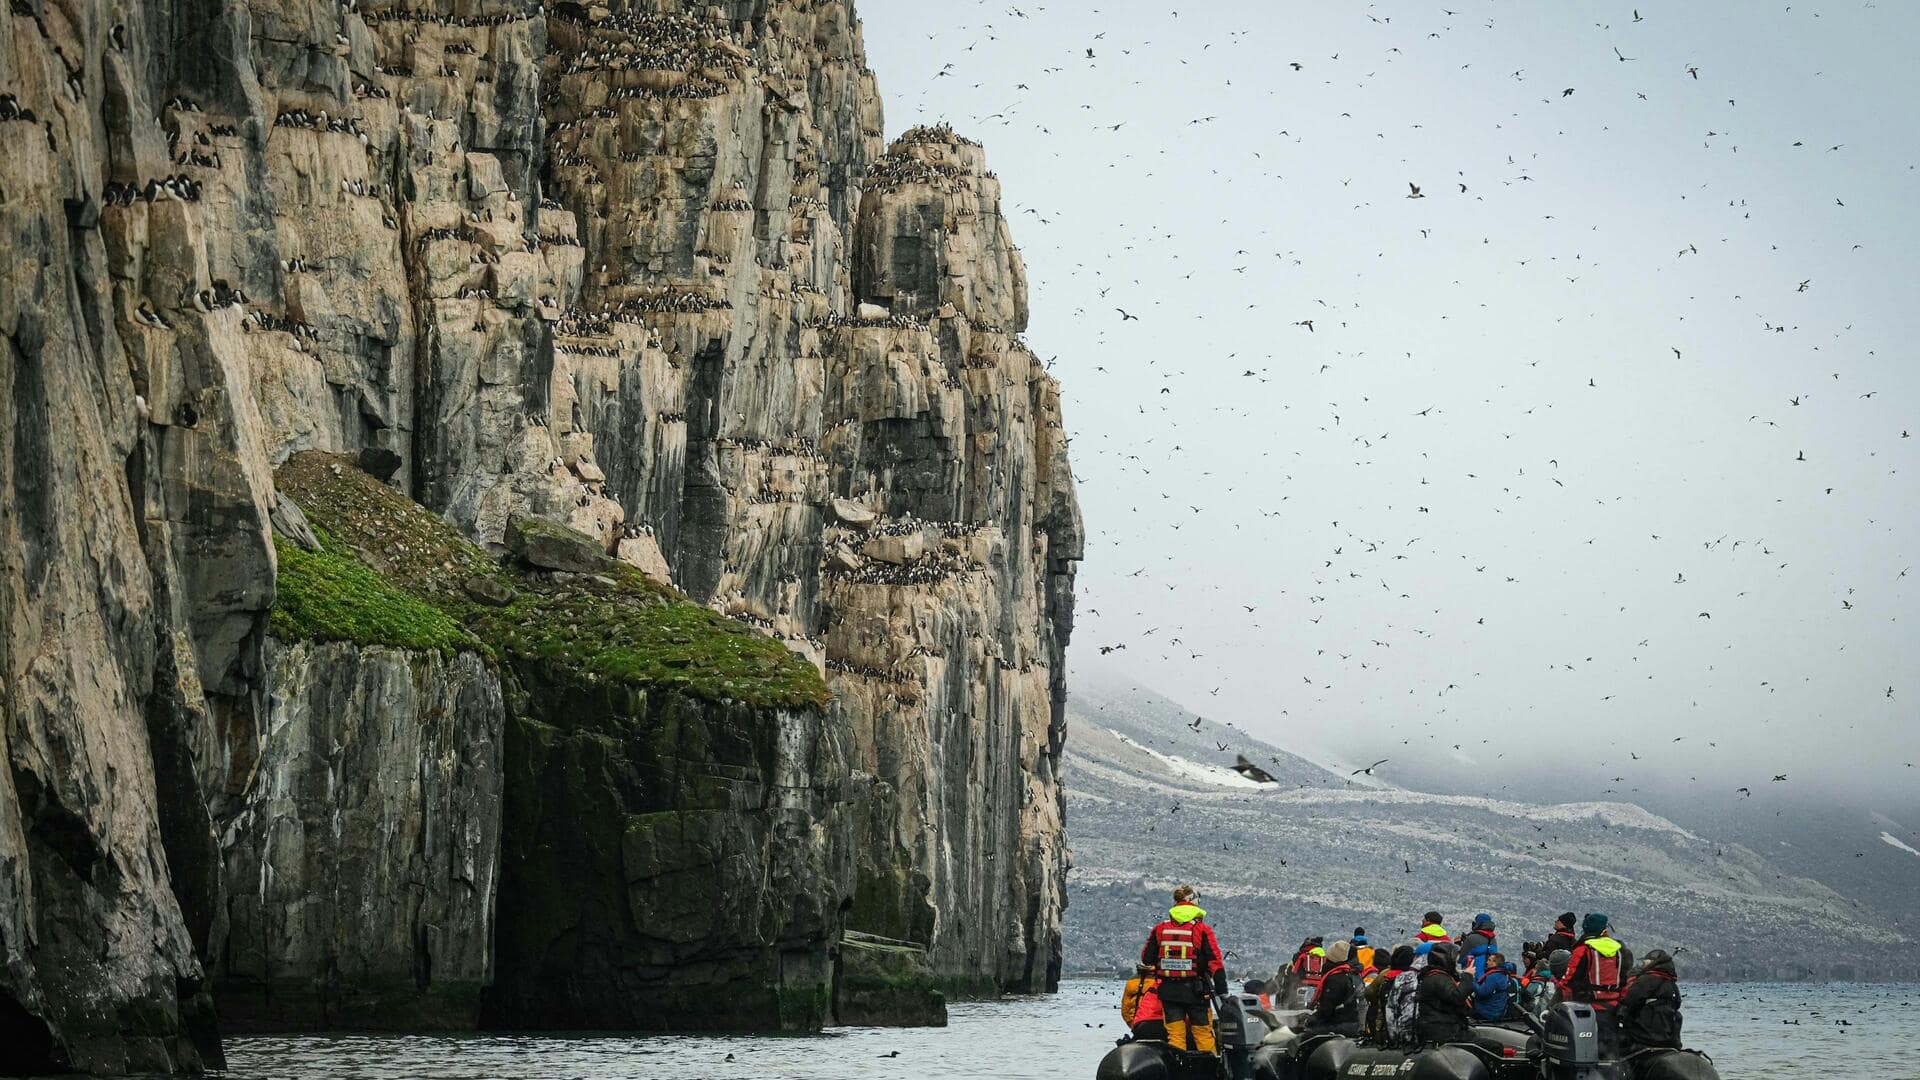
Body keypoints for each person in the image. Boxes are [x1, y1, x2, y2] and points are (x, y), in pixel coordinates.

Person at [1140, 886, 1227, 1054]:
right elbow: (1215, 962)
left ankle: (1178, 1069)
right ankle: (1211, 1071)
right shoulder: (1202, 929)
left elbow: (1146, 959)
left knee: (1175, 1036)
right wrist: (1222, 991)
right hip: (1197, 992)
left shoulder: (1160, 929)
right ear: (1194, 903)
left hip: (1168, 992)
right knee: (1203, 1034)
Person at [1560, 914, 1630, 1013]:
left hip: (1586, 1007)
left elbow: (1568, 981)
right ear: (1604, 930)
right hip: (1613, 1006)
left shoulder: (1583, 950)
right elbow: (1623, 979)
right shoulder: (1618, 950)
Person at [1617, 950, 1683, 1050]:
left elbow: (1629, 1001)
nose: (1642, 964)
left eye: (1645, 962)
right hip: (1668, 1037)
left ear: (1652, 962)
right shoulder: (1672, 984)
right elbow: (1677, 1004)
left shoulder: (1646, 980)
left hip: (1645, 1035)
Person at [1414, 942, 1471, 1046]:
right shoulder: (1439, 978)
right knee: (1493, 1046)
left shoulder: (1435, 976)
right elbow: (1457, 998)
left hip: (1443, 1026)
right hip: (1442, 1030)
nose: (1455, 963)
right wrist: (1468, 976)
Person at [1302, 940, 1363, 1036]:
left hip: (1339, 1024)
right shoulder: (1353, 974)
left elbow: (1326, 1010)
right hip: (1353, 1023)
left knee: (1305, 1036)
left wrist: (1309, 1020)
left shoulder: (1335, 979)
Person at [1363, 944, 1413, 1042]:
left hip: (1383, 1024)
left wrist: (1378, 1002)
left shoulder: (1385, 974)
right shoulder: (1414, 977)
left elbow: (1368, 993)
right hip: (1407, 1027)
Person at [1383, 945, 1425, 1047]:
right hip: (1415, 1035)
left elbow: (1389, 1008)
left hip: (1392, 1032)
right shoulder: (1418, 979)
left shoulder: (1386, 976)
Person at [1121, 964, 1167, 1040]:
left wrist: (1131, 1023)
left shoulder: (1130, 983)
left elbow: (1125, 1008)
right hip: (1159, 1022)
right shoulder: (1159, 982)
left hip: (1137, 1023)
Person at [1469, 952, 1518, 1022]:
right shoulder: (1502, 973)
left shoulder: (1494, 976)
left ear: (1494, 963)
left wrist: (1471, 979)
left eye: (1489, 960)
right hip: (1497, 1010)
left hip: (1487, 1013)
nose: (1486, 962)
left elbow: (1482, 992)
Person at [1521, 955, 1561, 1020]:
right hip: (1551, 1011)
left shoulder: (1538, 979)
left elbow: (1528, 992)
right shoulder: (1554, 979)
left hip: (1538, 1011)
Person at [1458, 914, 1498, 979]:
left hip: (1472, 977)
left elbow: (1461, 959)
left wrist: (1460, 944)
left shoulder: (1472, 938)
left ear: (1477, 924)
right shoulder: (1493, 940)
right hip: (1488, 978)